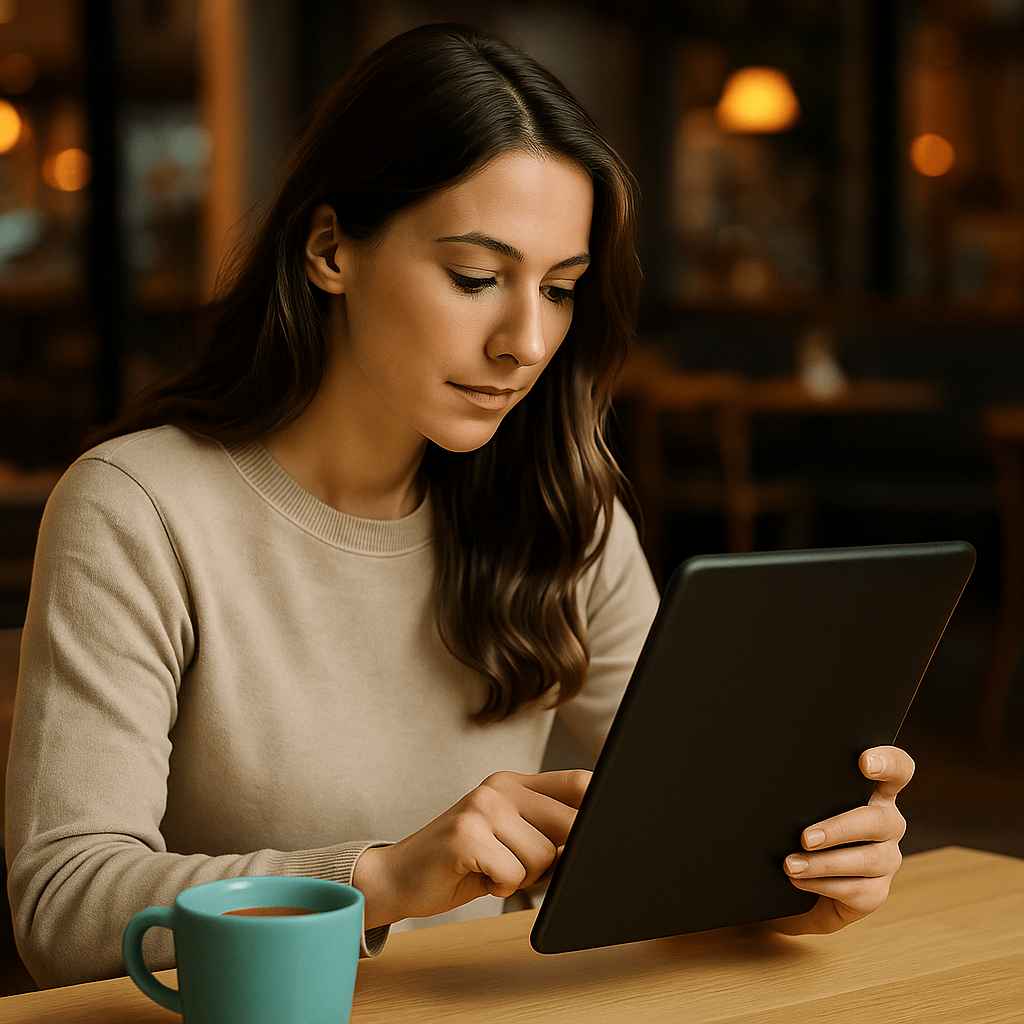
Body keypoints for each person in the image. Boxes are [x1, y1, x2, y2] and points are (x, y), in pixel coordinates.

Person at [5, 21, 913, 991]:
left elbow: (687, 809)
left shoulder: (562, 505)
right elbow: (63, 904)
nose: (524, 340)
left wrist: (796, 861)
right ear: (328, 251)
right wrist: (379, 876)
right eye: (477, 277)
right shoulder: (139, 508)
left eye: (561, 289)